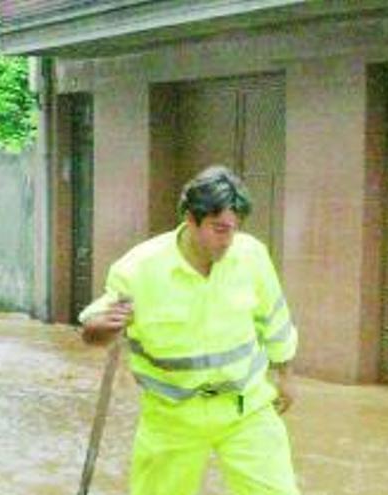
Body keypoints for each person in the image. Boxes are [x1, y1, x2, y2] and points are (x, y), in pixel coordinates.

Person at [79, 166, 300, 495]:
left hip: (245, 407)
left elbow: (275, 318)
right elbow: (94, 328)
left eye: (233, 230)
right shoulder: (139, 269)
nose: (228, 241)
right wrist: (99, 329)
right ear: (190, 218)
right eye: (219, 229)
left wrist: (285, 375)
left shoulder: (251, 255)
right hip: (172, 415)